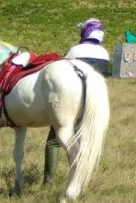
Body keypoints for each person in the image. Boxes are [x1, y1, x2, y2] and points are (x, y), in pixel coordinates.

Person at [45, 18, 110, 185]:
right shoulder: (105, 53)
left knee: (54, 139)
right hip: (94, 101)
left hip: (71, 99)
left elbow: (62, 70)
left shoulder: (75, 50)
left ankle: (49, 180)